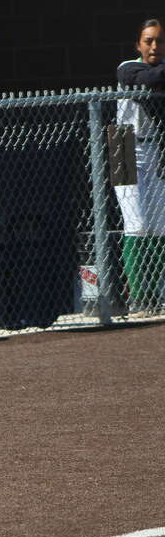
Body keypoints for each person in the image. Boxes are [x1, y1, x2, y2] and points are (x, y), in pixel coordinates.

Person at [115, 18, 165, 316]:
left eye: (159, 40)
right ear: (138, 45)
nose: (154, 46)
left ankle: (154, 295)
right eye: (148, 41)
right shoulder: (127, 66)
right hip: (124, 145)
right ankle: (139, 297)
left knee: (160, 225)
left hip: (156, 146)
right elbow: (148, 81)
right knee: (138, 224)